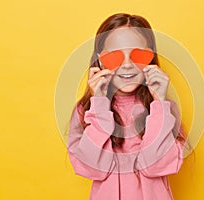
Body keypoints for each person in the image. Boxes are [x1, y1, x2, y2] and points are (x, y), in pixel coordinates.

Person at [66, 13, 187, 200]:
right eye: (115, 57)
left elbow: (155, 166)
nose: (128, 65)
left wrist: (159, 105)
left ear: (151, 58)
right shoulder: (86, 110)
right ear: (99, 60)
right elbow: (92, 169)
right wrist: (99, 105)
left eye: (138, 55)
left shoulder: (164, 108)